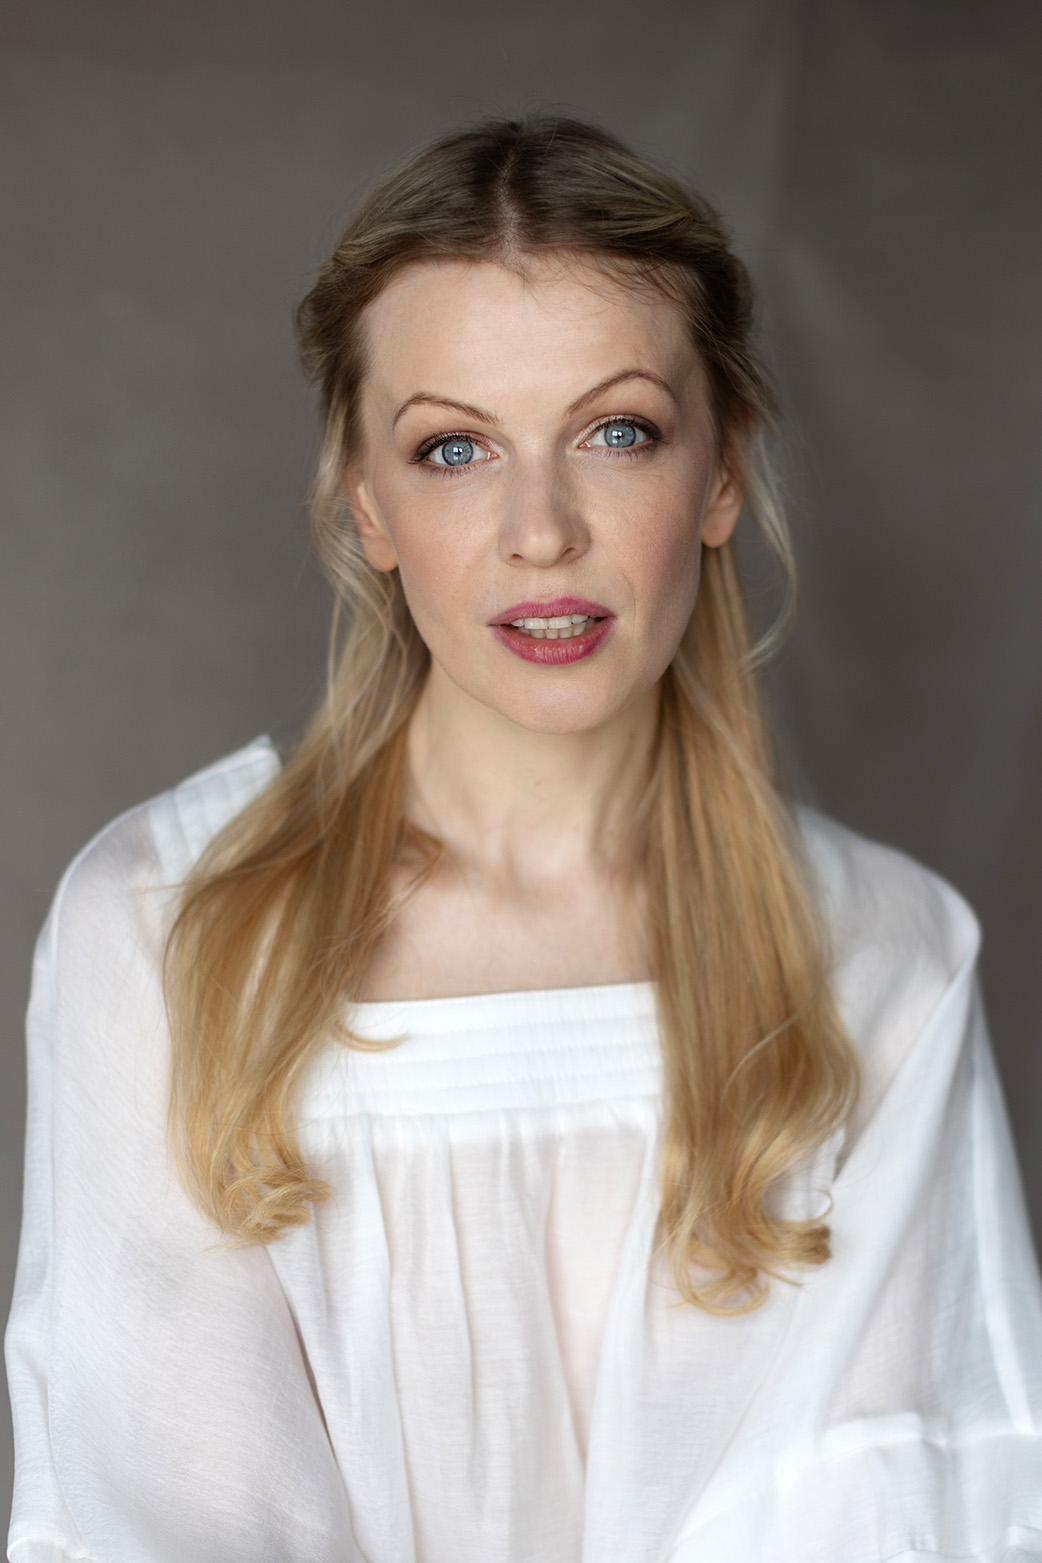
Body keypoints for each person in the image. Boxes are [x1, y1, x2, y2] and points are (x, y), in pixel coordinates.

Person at [6, 116, 1042, 1563]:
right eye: (454, 449)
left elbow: (899, 1513)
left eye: (618, 433)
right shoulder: (168, 924)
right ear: (367, 501)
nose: (539, 530)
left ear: (722, 472)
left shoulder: (883, 957)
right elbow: (168, 1510)